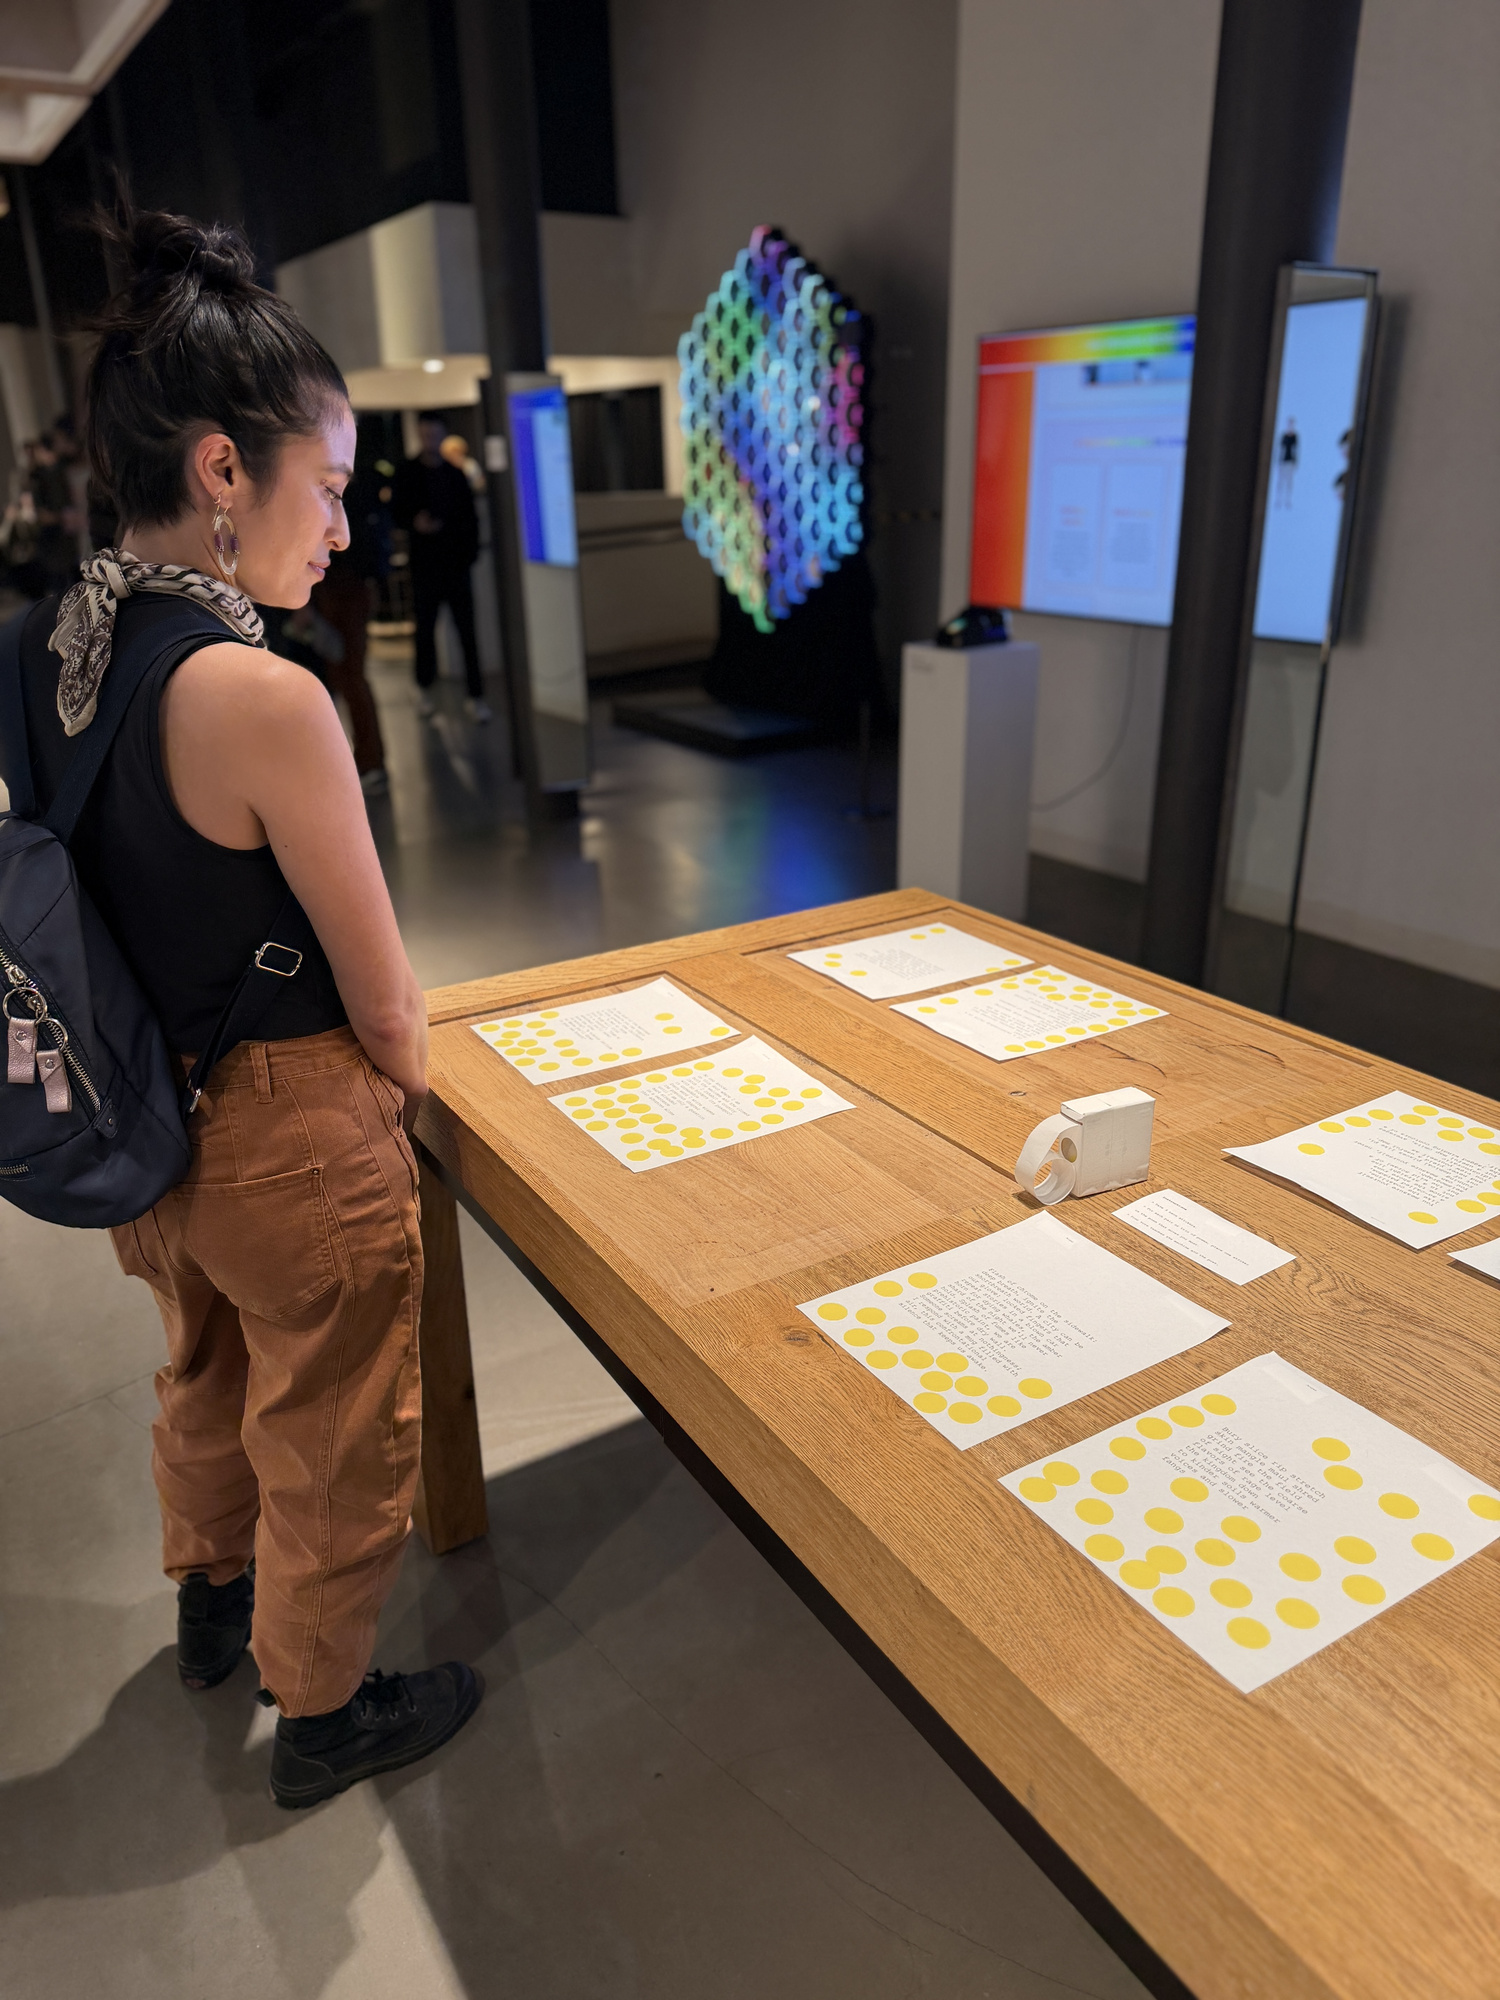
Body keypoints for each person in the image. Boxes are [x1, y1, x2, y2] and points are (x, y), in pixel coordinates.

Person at [2, 202, 481, 1808]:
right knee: (336, 1425)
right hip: (288, 1138)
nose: (342, 530)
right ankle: (324, 1709)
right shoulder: (266, 696)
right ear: (224, 471)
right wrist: (415, 1092)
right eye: (329, 487)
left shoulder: (31, 655)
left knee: (203, 1367)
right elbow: (384, 993)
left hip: (143, 1120)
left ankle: (212, 1601)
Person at [390, 413, 488, 721]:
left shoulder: (455, 475)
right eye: (426, 434)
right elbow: (397, 512)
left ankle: (475, 695)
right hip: (426, 566)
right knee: (425, 631)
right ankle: (424, 689)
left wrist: (468, 554)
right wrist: (414, 523)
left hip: (455, 564)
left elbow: (470, 519)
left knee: (467, 632)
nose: (430, 439)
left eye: (435, 434)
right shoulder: (407, 473)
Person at [311, 466, 390, 794]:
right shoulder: (340, 489)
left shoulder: (353, 493)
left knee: (349, 677)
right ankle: (359, 763)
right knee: (339, 678)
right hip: (331, 588)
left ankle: (369, 762)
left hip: (343, 588)